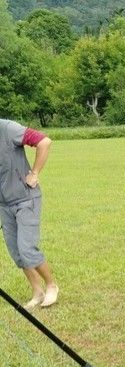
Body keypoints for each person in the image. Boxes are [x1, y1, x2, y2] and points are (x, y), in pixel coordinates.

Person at [0, 119, 57, 309]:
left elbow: (44, 141)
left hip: (26, 199)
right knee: (16, 253)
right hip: (4, 204)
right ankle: (37, 291)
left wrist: (34, 173)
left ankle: (51, 285)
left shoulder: (8, 129)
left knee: (26, 248)